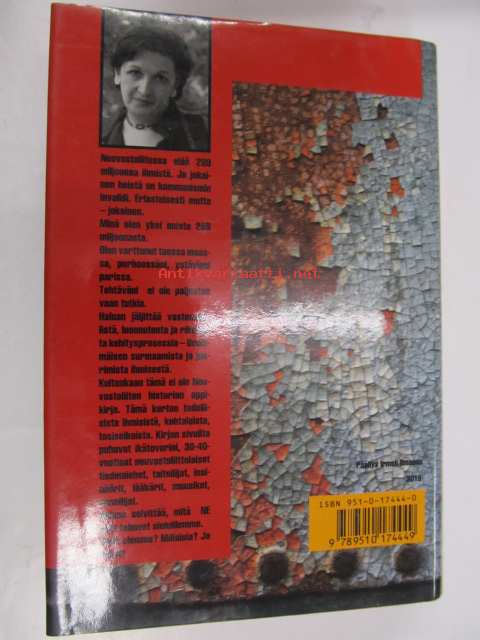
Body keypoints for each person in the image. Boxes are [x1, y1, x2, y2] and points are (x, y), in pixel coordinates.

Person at [103, 26, 208, 150]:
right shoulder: (97, 133)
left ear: (175, 86)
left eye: (160, 78)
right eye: (135, 72)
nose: (144, 90)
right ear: (117, 74)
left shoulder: (205, 132)